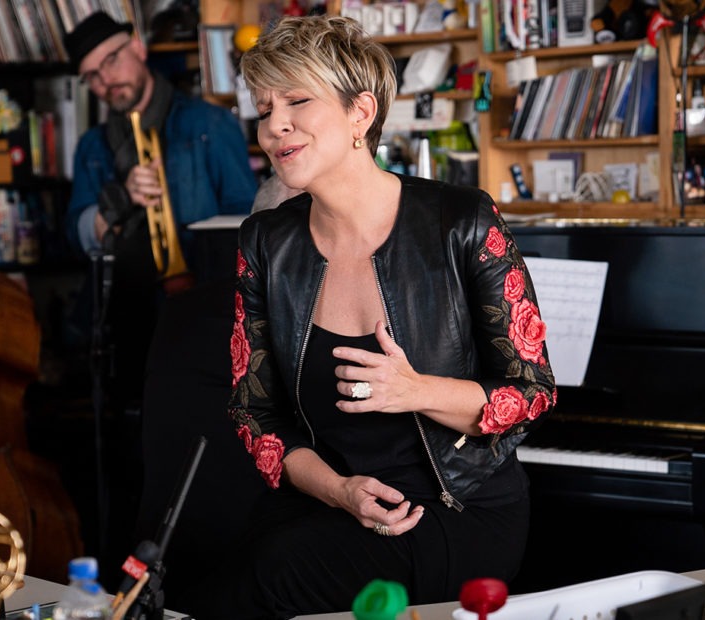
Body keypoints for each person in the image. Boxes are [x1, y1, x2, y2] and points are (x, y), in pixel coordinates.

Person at [219, 16, 557, 618]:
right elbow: (255, 412)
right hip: (329, 499)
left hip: (455, 506)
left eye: (297, 101)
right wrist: (340, 491)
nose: (274, 126)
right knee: (223, 558)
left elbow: (531, 391)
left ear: (361, 113)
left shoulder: (464, 221)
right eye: (264, 107)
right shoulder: (264, 243)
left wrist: (415, 390)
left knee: (275, 575)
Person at [60, 13, 257, 409]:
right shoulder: (91, 146)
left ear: (137, 47)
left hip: (206, 317)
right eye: (92, 76)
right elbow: (78, 236)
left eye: (111, 60)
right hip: (127, 322)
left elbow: (247, 225)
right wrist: (118, 200)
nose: (105, 81)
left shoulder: (211, 124)